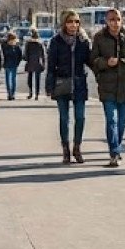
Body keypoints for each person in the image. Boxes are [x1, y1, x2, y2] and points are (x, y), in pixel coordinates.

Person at [90, 9, 125, 167]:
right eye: (112, 19)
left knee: (122, 122)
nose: (115, 22)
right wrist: (106, 63)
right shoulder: (99, 38)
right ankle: (114, 152)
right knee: (111, 120)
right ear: (106, 21)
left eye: (118, 19)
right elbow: (93, 61)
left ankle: (117, 147)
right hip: (107, 85)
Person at [45, 11, 92, 164]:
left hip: (79, 83)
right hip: (62, 83)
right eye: (70, 22)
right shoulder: (56, 41)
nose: (74, 25)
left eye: (77, 22)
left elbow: (91, 61)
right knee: (64, 118)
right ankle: (65, 149)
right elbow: (51, 65)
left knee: (80, 117)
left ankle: (77, 147)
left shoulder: (83, 41)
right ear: (64, 23)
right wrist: (49, 85)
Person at [24, 31, 45, 100]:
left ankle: (30, 93)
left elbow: (25, 53)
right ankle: (37, 94)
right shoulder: (40, 43)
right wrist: (44, 63)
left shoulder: (28, 43)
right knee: (37, 79)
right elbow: (43, 54)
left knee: (30, 78)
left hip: (30, 62)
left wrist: (26, 59)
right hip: (38, 62)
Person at [1, 33, 23, 100]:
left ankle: (12, 94)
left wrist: (17, 63)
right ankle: (9, 94)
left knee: (13, 79)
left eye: (14, 40)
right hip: (7, 64)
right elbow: (3, 55)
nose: (12, 41)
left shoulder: (17, 46)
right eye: (11, 40)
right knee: (8, 80)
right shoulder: (5, 46)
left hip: (14, 65)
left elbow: (20, 56)